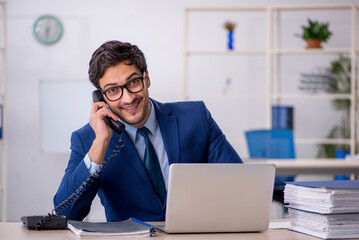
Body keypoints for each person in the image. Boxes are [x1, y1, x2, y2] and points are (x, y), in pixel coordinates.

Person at [53, 40, 242, 222]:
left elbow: (239, 182)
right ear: (100, 98)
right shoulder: (87, 139)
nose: (127, 98)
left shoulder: (195, 117)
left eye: (133, 82)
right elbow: (66, 213)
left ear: (147, 78)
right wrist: (101, 142)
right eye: (112, 91)